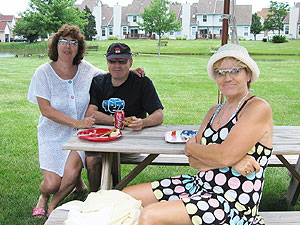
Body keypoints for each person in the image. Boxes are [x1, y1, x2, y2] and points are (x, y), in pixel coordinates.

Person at [123, 44, 273, 225]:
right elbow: (193, 160)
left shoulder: (257, 108)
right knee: (125, 198)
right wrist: (232, 160)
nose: (227, 78)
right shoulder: (214, 111)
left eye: (235, 71)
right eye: (220, 72)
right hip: (197, 185)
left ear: (248, 74)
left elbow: (222, 156)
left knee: (150, 215)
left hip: (231, 204)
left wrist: (198, 149)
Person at [28, 25, 144, 217]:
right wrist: (76, 123)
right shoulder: (43, 73)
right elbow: (45, 110)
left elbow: (111, 74)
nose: (68, 46)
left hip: (81, 135)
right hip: (52, 134)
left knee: (71, 175)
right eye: (63, 41)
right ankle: (44, 196)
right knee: (52, 184)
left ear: (79, 47)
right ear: (55, 45)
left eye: (73, 42)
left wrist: (132, 71)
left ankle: (54, 204)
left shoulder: (86, 69)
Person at [85, 43, 164, 192]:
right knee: (92, 159)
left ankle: (111, 191)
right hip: (103, 139)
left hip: (131, 142)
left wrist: (143, 122)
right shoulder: (98, 82)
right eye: (112, 61)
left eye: (122, 61)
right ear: (107, 62)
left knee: (108, 158)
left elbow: (159, 115)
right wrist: (117, 121)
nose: (117, 65)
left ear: (130, 62)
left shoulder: (142, 83)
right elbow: (90, 113)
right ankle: (94, 195)